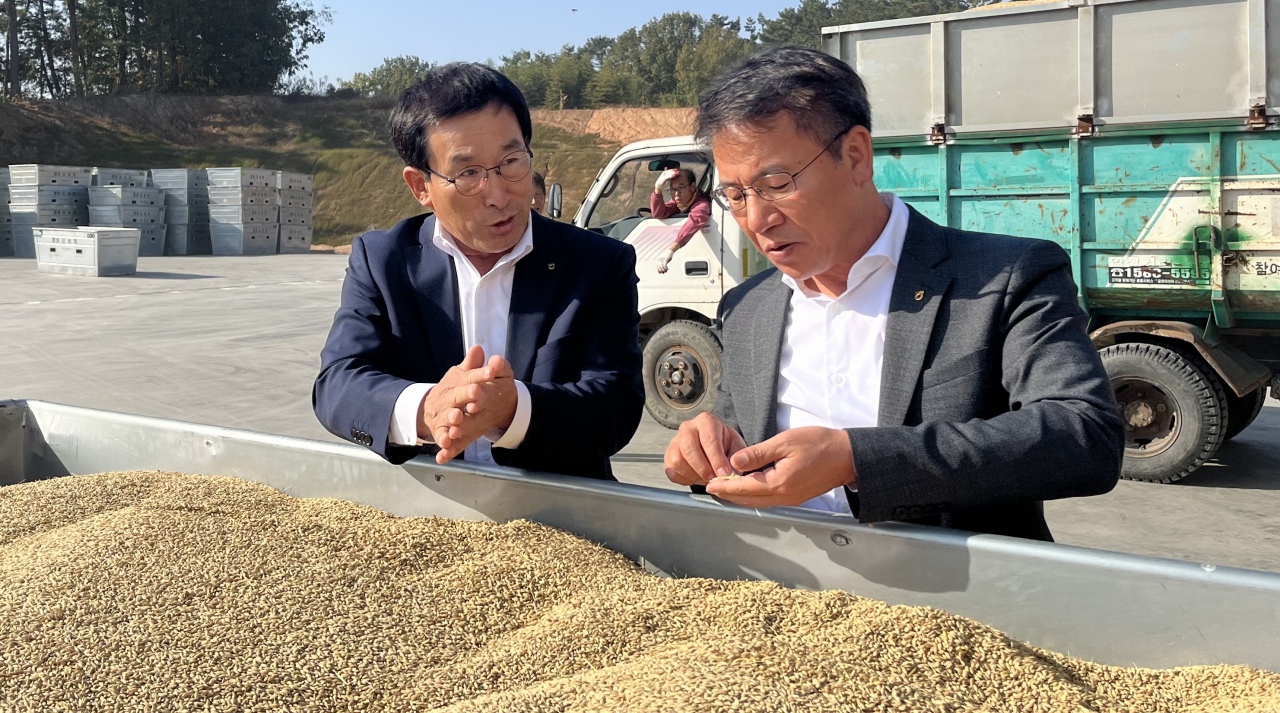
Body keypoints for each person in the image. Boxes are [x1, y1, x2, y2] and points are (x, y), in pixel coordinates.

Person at [663, 48, 1123, 541]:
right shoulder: (748, 308)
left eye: (776, 183)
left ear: (856, 155)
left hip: (956, 601)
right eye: (735, 195)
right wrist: (705, 453)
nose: (756, 219)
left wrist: (858, 460)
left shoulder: (1003, 278)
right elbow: (739, 447)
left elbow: (1083, 436)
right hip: (789, 597)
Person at [314, 63, 644, 480]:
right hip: (426, 510)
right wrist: (427, 408)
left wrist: (513, 409)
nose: (498, 194)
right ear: (421, 187)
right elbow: (338, 384)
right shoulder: (384, 261)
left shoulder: (598, 264)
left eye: (511, 161)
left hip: (561, 516)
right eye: (468, 173)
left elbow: (616, 404)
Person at [650, 167, 712, 274]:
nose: (676, 194)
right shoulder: (680, 202)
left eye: (681, 188)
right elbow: (658, 213)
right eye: (672, 190)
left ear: (693, 186)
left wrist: (670, 250)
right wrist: (658, 188)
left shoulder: (702, 204)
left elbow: (693, 222)